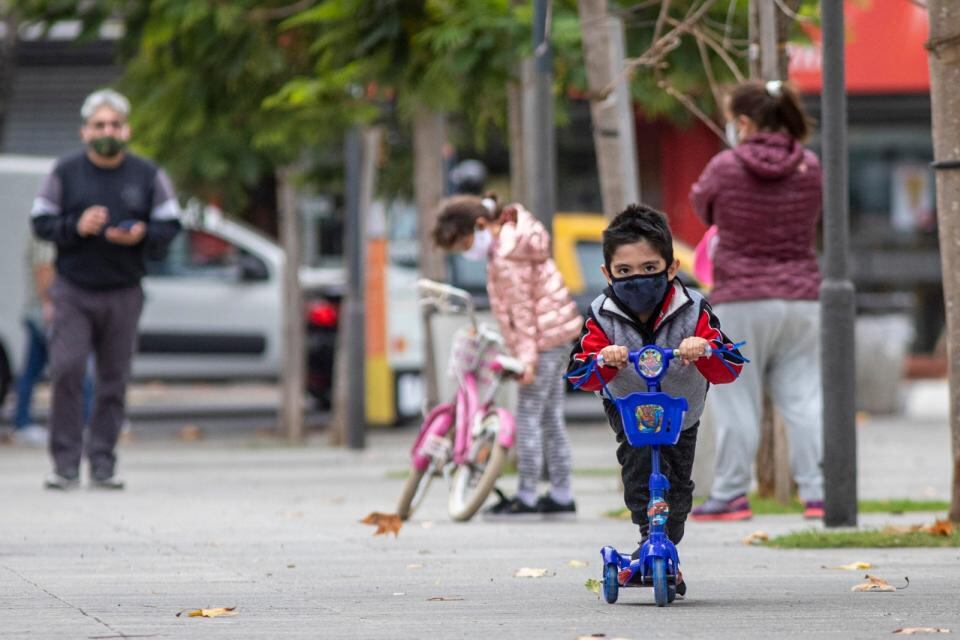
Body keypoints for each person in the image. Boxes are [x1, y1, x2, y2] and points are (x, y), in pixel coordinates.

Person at [568, 204, 744, 595]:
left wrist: (704, 348)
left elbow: (729, 365)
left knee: (677, 487)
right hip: (628, 406)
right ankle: (648, 535)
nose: (637, 280)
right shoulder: (602, 314)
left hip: (681, 410)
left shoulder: (693, 308)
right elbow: (580, 372)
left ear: (671, 267)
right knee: (638, 473)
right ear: (607, 274)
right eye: (624, 271)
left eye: (649, 268)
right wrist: (604, 359)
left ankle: (664, 541)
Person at [31, 88, 181, 490]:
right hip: (73, 290)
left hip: (124, 290)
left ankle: (102, 463)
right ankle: (64, 465)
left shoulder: (147, 174)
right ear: (84, 131)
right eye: (99, 125)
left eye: (114, 124)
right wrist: (75, 226)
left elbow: (171, 224)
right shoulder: (64, 172)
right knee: (67, 369)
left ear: (126, 130)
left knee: (114, 379)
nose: (107, 131)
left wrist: (142, 234)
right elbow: (40, 222)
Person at [688, 79, 825, 521]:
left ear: (744, 122)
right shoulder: (809, 165)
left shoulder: (725, 166)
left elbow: (701, 205)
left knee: (737, 401)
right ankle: (818, 495)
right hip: (802, 297)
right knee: (803, 399)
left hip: (742, 297)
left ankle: (731, 495)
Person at [432, 194, 583, 518]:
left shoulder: (507, 255)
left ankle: (526, 497)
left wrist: (527, 359)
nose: (466, 253)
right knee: (550, 418)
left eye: (464, 244)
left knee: (528, 417)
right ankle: (562, 494)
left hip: (542, 340)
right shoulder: (515, 240)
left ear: (481, 225)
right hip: (557, 334)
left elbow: (522, 311)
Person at [10, 237, 94, 446]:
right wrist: (49, 304)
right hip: (48, 314)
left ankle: (22, 422)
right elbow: (44, 269)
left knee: (32, 371)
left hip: (42, 312)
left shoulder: (43, 233)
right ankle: (83, 422)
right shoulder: (46, 234)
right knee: (75, 366)